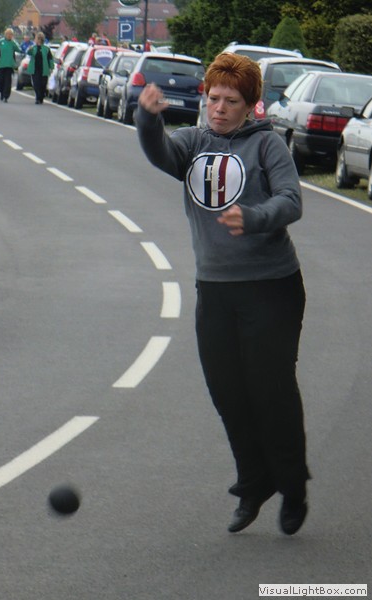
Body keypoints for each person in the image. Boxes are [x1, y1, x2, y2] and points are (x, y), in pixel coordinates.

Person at [136, 52, 311, 536]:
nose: (219, 108)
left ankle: (292, 485)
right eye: (214, 98)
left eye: (231, 101)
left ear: (250, 105)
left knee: (270, 389)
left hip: (271, 287)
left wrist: (253, 218)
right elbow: (159, 152)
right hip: (214, 289)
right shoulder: (193, 142)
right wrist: (147, 117)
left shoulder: (267, 145)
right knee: (228, 392)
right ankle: (255, 482)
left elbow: (291, 200)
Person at [0, 28, 21, 103]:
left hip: (9, 65)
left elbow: (19, 49)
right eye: (8, 34)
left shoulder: (13, 43)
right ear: (5, 34)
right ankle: (1, 92)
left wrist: (14, 42)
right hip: (1, 65)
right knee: (0, 80)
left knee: (8, 82)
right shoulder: (0, 42)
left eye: (11, 34)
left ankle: (6, 96)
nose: (9, 35)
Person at [27, 32, 54, 104]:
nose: (37, 40)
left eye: (38, 39)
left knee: (43, 84)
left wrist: (51, 67)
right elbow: (28, 53)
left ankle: (41, 96)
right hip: (35, 69)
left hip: (44, 69)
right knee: (36, 83)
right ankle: (38, 98)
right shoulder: (33, 48)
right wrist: (29, 49)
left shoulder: (46, 49)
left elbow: (50, 59)